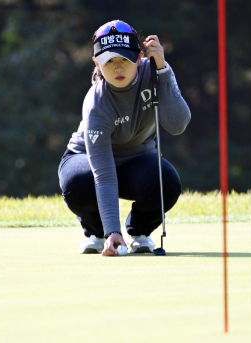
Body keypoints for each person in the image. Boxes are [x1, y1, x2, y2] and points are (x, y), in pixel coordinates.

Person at [58, 20, 191, 256]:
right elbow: (104, 175)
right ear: (96, 63)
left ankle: (139, 232)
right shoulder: (96, 104)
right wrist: (112, 230)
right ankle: (97, 232)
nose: (118, 68)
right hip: (88, 160)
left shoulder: (154, 72)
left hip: (137, 159)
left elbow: (178, 124)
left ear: (139, 57)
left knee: (166, 181)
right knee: (77, 182)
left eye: (124, 59)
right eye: (109, 61)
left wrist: (163, 70)